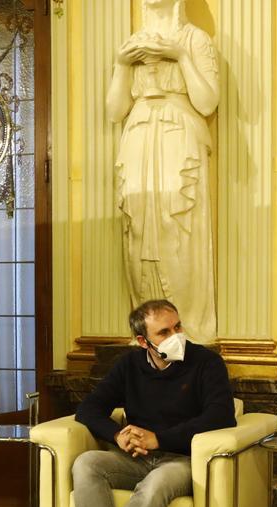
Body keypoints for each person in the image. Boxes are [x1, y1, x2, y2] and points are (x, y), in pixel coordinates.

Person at [32, 299, 236, 507]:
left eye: (178, 326)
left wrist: (160, 438)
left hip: (180, 461)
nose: (176, 335)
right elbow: (89, 408)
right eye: (164, 331)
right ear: (143, 341)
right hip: (135, 458)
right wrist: (118, 436)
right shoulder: (129, 365)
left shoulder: (206, 363)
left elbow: (221, 417)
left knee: (154, 485)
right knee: (86, 464)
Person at [107, 0, 220, 343]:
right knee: (139, 229)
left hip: (177, 136)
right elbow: (114, 111)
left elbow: (207, 102)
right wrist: (121, 63)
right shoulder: (131, 42)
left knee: (177, 231)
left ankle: (182, 326)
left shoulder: (195, 39)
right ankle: (148, 329)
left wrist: (180, 55)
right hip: (139, 136)